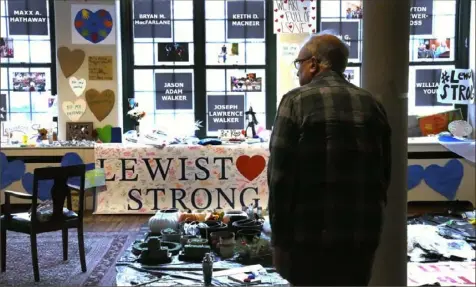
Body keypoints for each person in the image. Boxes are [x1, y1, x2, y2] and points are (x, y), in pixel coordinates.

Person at [267, 34, 392, 286]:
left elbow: (280, 179)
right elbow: (384, 174)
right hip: (361, 237)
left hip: (308, 239)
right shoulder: (372, 104)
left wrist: (279, 242)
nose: (298, 71)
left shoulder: (295, 101)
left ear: (313, 64)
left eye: (298, 64)